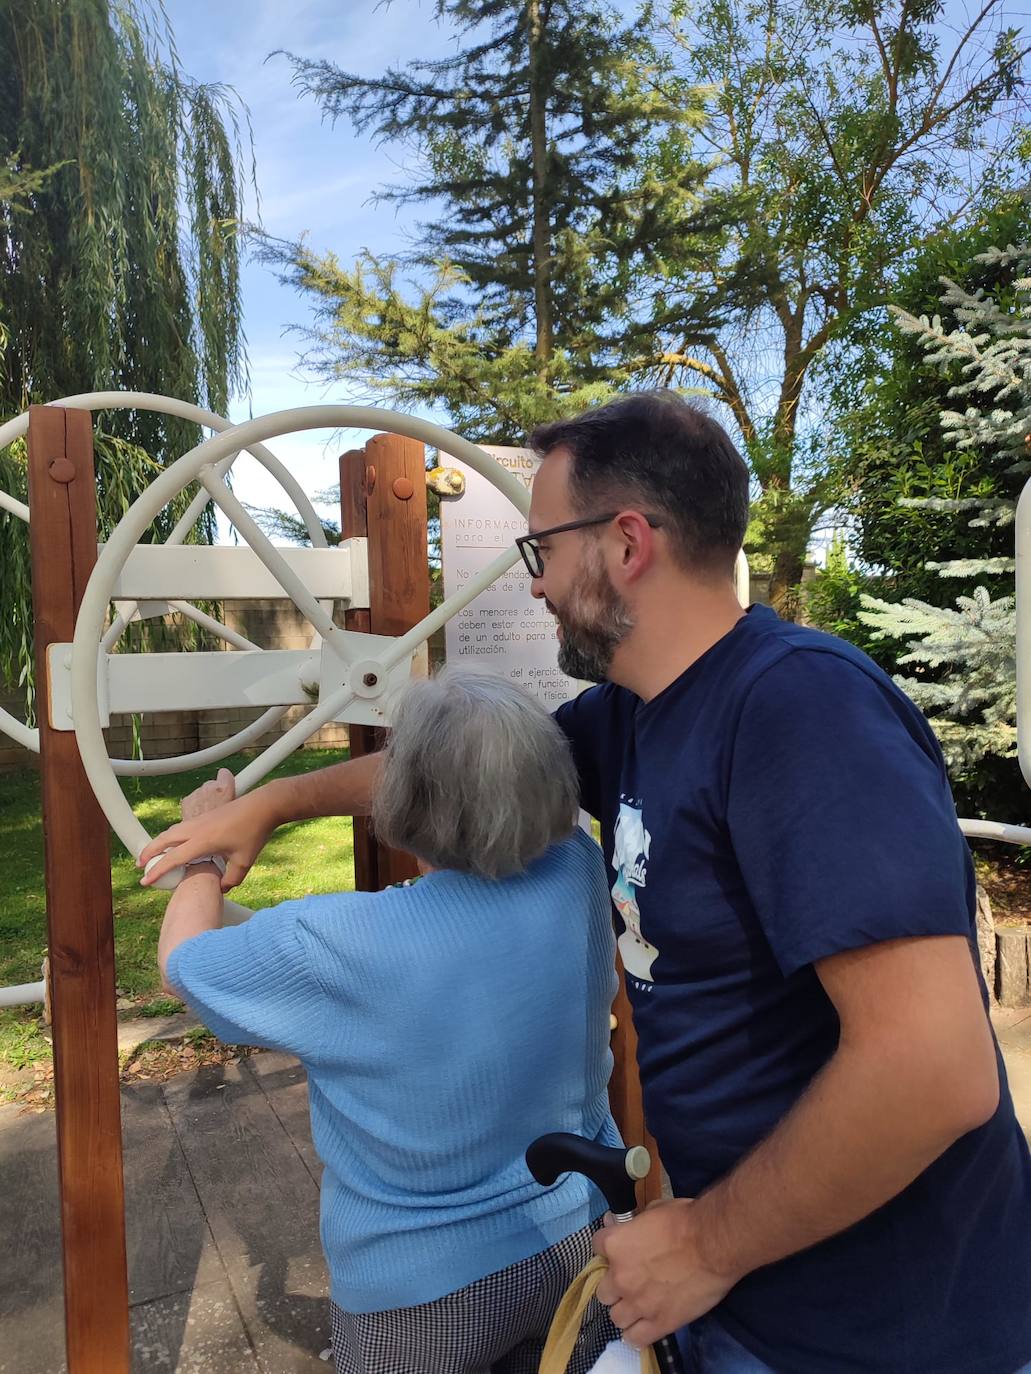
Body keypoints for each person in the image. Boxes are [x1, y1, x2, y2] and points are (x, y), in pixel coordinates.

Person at [143, 391, 1031, 1374]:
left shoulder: (797, 713)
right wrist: (273, 805)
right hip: (751, 1295)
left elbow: (928, 1068)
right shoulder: (640, 713)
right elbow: (449, 775)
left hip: (877, 1327)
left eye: (542, 551)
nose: (534, 586)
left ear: (623, 545)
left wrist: (701, 1245)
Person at [156, 668, 620, 1374]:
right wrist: (274, 804)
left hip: (416, 1293)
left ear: (400, 799)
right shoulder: (579, 869)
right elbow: (475, 780)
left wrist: (203, 848)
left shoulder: (336, 944)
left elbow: (184, 965)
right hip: (578, 1236)